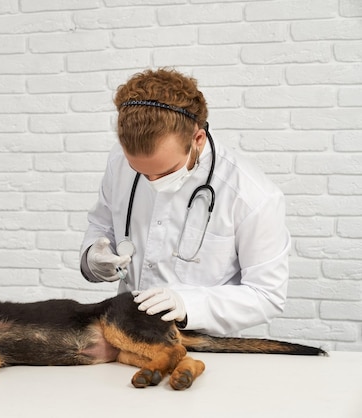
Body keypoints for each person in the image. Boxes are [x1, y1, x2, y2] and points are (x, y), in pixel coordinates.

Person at [80, 68, 290, 337]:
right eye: (140, 171)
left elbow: (267, 295)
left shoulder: (252, 196)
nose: (153, 181)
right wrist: (92, 258)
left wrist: (188, 303)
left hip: (203, 347)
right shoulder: (118, 161)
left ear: (197, 139)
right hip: (127, 337)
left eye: (166, 171)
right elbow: (102, 225)